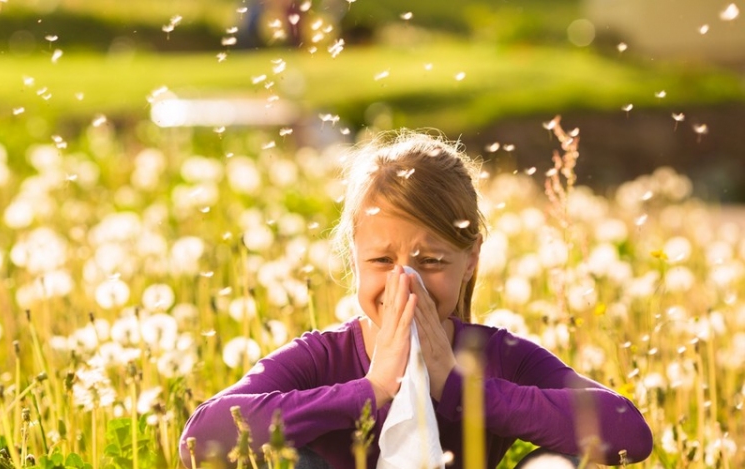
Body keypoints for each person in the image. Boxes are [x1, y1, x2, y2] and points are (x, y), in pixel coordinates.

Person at [179, 131, 653, 468]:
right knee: (284, 458)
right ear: (354, 259)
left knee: (567, 460)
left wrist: (461, 388)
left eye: (430, 262)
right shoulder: (322, 357)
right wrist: (371, 391)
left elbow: (628, 433)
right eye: (382, 261)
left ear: (470, 260)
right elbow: (201, 440)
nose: (405, 283)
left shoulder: (496, 356)